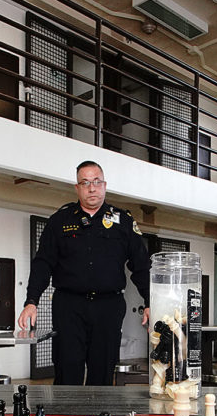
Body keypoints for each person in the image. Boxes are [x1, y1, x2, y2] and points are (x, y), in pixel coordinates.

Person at [19, 160, 151, 385]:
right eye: (85, 182)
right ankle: (66, 409)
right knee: (67, 369)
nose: (92, 188)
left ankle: (100, 410)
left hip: (108, 307)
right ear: (77, 188)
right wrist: (31, 301)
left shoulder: (123, 221)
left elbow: (141, 266)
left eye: (97, 182)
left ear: (105, 185)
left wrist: (150, 302)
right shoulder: (59, 221)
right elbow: (43, 263)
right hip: (69, 307)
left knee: (102, 372)